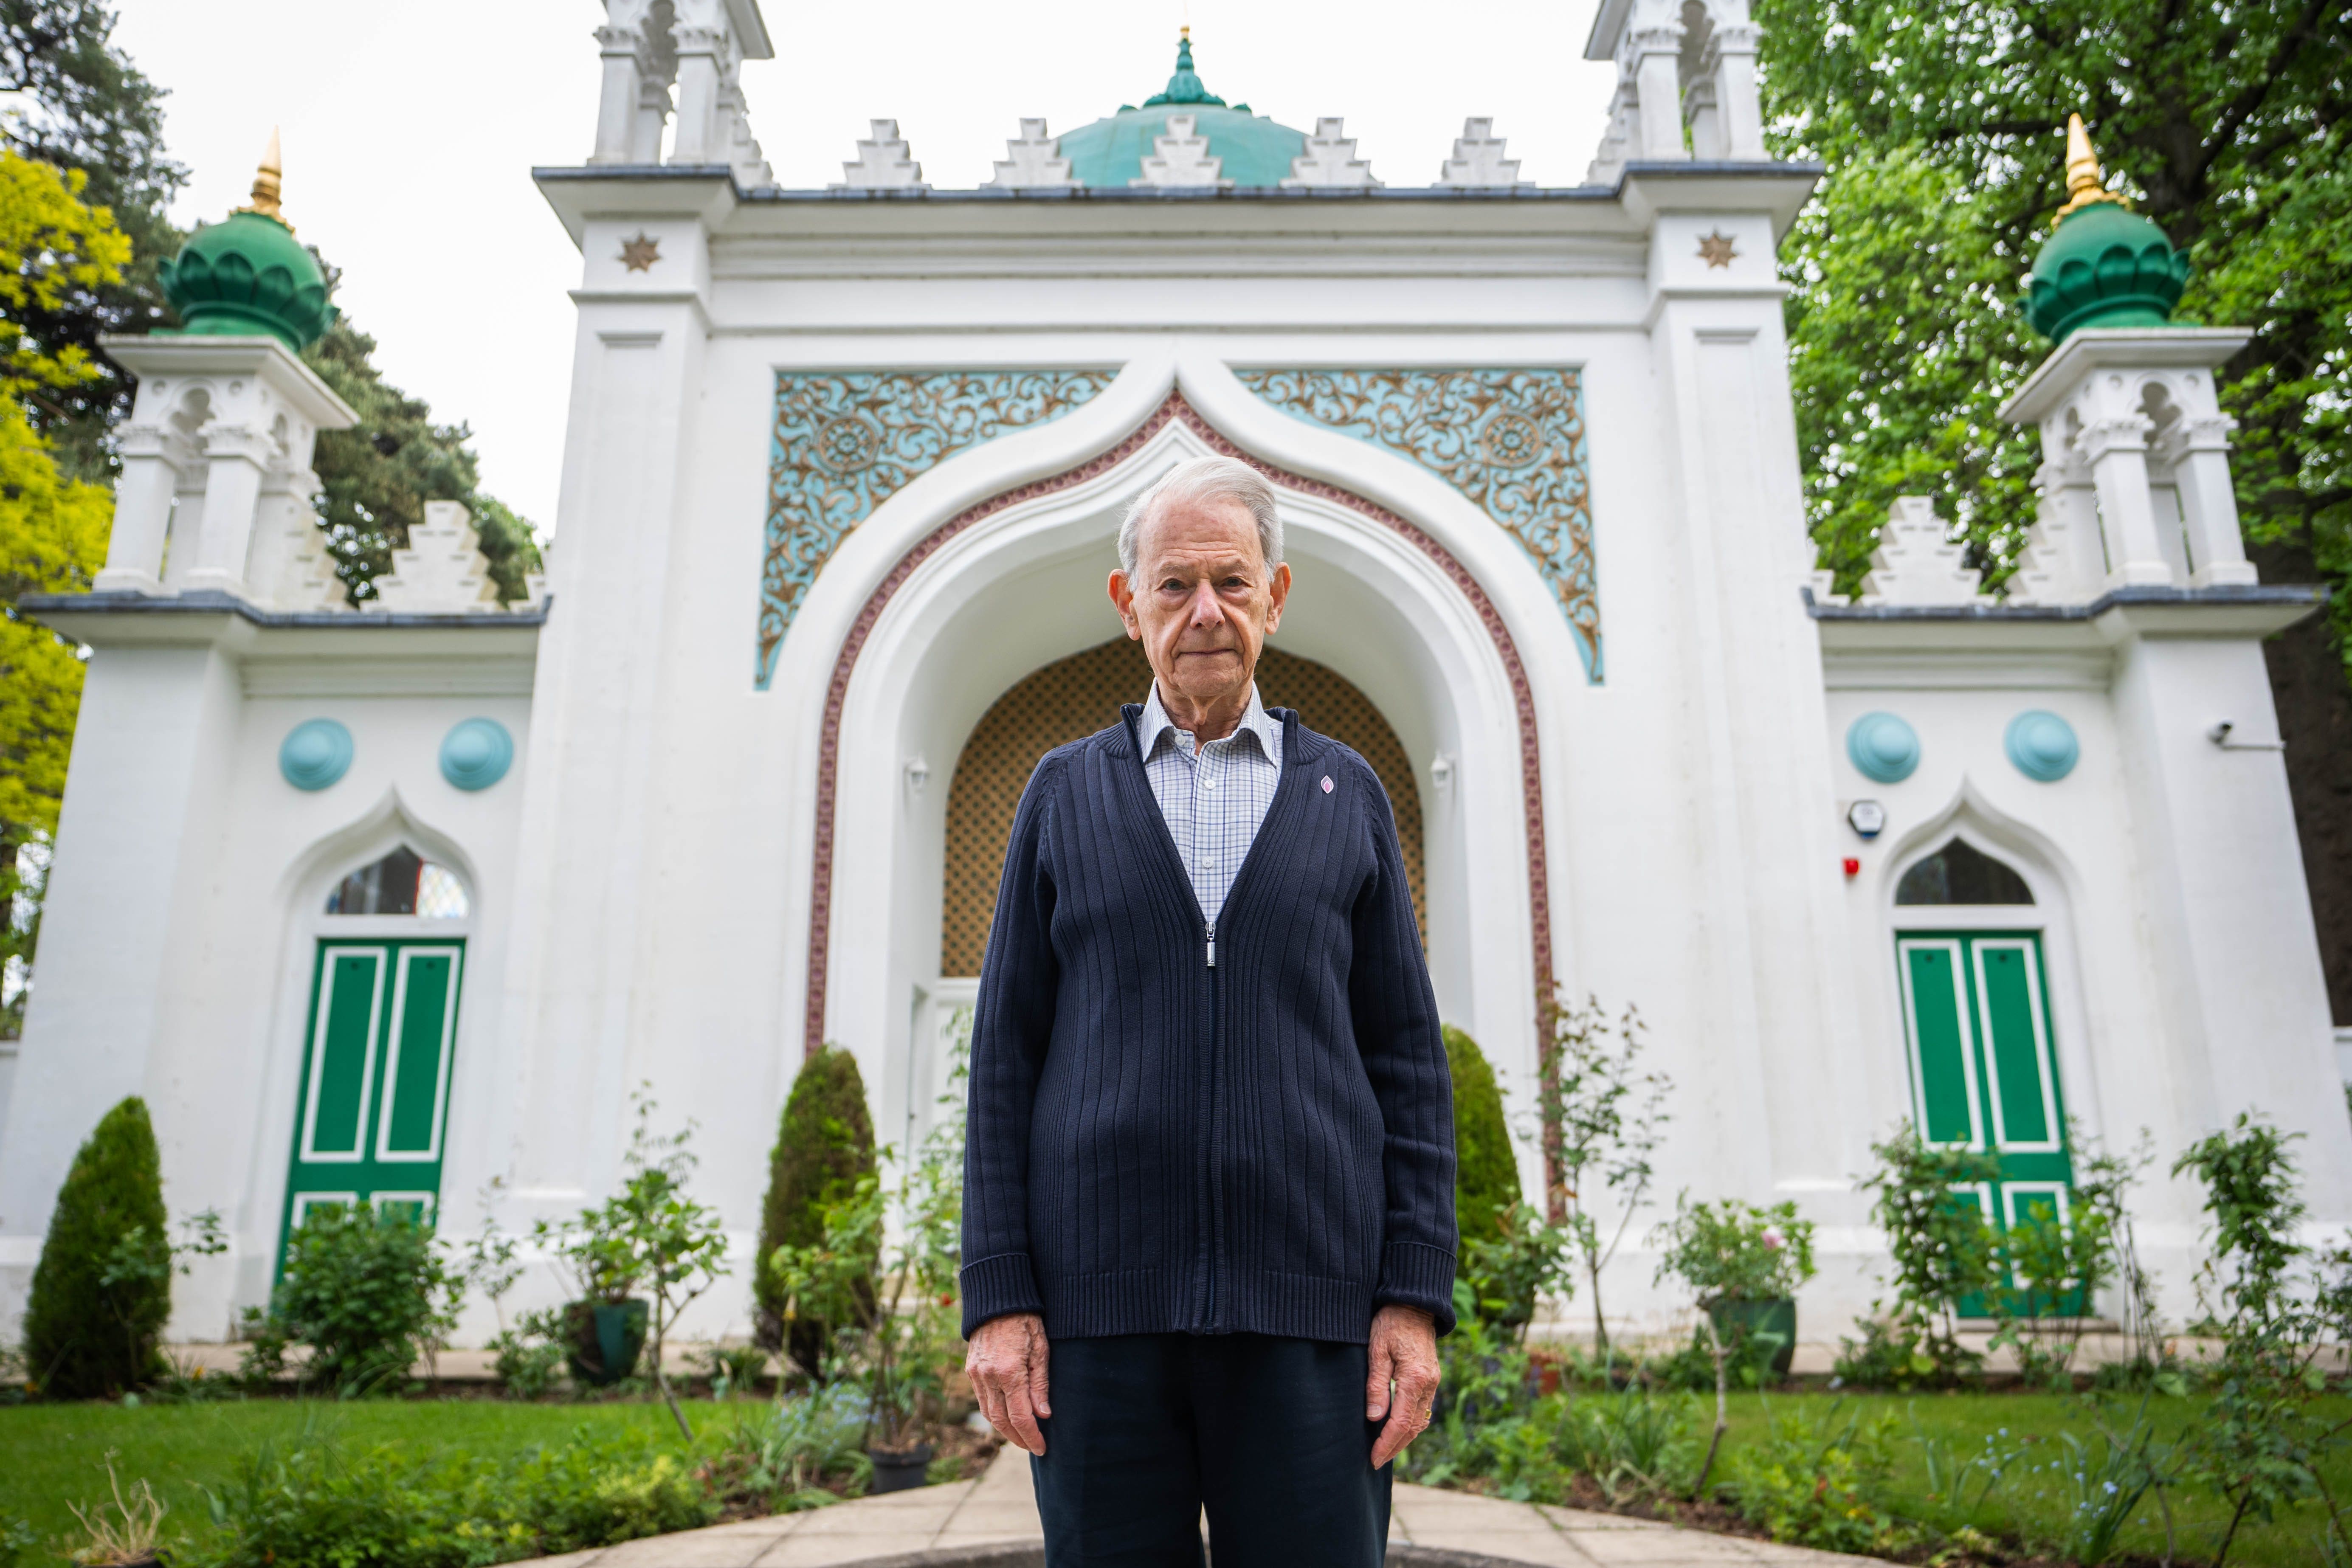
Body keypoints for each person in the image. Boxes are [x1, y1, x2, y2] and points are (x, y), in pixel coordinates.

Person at [960, 453, 1457, 1566]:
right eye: (1175, 584)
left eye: (1231, 584)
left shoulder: (1347, 795)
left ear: (1274, 599)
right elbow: (1004, 1063)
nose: (1204, 614)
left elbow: (1406, 1064)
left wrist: (1412, 1297)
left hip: (1311, 1324)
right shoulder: (1059, 792)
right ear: (1126, 602)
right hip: (1096, 1330)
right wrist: (997, 1299)